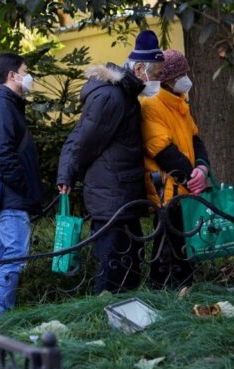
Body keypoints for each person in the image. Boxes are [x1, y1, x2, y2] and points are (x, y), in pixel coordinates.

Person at [57, 30, 164, 294]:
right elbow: (83, 141)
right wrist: (67, 175)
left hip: (121, 194)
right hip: (111, 197)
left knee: (128, 263)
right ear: (140, 68)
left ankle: (122, 317)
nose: (158, 80)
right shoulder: (112, 97)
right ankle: (103, 318)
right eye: (158, 73)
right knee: (112, 268)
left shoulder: (124, 94)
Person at [140, 49, 210, 288]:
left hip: (185, 186)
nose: (187, 79)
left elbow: (196, 140)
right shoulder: (151, 105)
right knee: (166, 252)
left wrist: (202, 168)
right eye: (183, 74)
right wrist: (193, 177)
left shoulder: (181, 104)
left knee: (182, 250)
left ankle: (185, 294)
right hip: (167, 191)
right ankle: (162, 297)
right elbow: (161, 150)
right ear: (169, 78)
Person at [0, 52, 42, 315]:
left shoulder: (7, 104)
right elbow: (2, 152)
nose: (29, 77)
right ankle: (1, 320)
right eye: (26, 71)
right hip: (11, 196)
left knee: (10, 257)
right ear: (12, 75)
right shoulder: (1, 106)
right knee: (14, 258)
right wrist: (23, 186)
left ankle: (0, 318)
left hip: (13, 194)